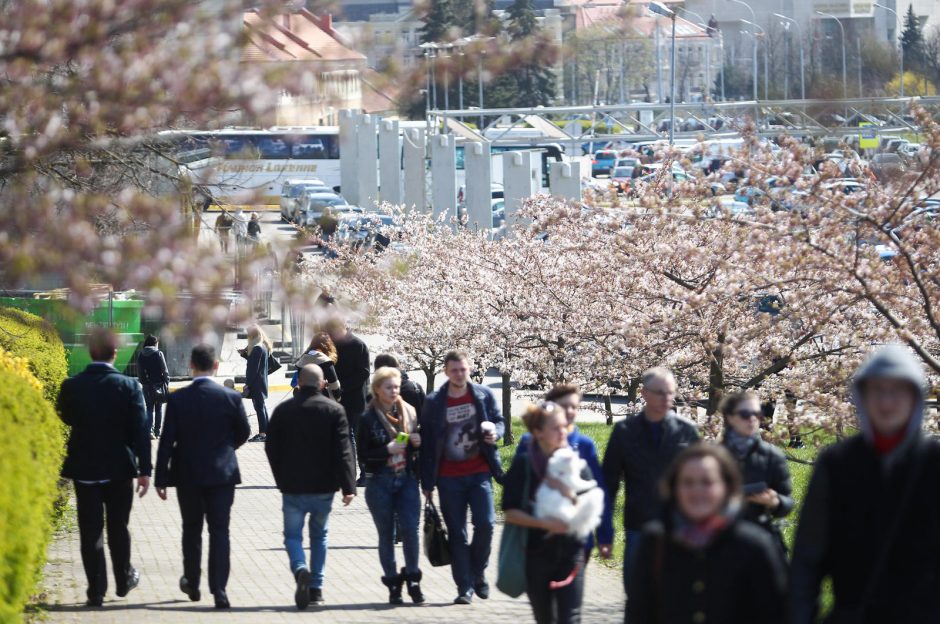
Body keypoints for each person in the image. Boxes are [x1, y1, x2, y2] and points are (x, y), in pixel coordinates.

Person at [790, 345, 940, 623]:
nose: (886, 402)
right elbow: (808, 558)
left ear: (915, 397)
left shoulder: (933, 462)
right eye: (877, 391)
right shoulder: (836, 462)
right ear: (862, 396)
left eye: (897, 390)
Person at [626, 444, 787, 624]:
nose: (697, 491)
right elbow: (638, 613)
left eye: (707, 482)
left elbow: (775, 614)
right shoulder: (655, 539)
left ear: (726, 488)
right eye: (688, 482)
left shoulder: (755, 545)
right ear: (674, 488)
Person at [56, 328, 152, 607]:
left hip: (84, 468)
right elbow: (140, 431)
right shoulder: (129, 387)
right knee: (118, 527)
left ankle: (95, 590)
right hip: (119, 468)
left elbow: (65, 415)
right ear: (115, 353)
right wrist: (145, 470)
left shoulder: (72, 386)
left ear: (90, 352)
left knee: (90, 529)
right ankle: (123, 579)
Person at [154, 344, 250, 610]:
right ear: (216, 366)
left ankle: (193, 582)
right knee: (220, 531)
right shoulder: (230, 398)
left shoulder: (178, 399)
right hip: (222, 474)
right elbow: (243, 431)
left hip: (188, 474)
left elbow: (166, 441)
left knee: (191, 530)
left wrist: (161, 478)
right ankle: (219, 590)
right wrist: (227, 449)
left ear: (191, 366)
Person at [265, 364, 356, 610]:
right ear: (322, 383)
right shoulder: (335, 410)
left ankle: (299, 568)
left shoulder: (284, 410)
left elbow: (271, 447)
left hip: (292, 486)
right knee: (320, 536)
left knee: (292, 536)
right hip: (324, 488)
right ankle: (316, 589)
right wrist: (349, 486)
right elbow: (344, 451)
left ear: (298, 383)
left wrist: (280, 477)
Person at [601, 367, 699, 593]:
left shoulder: (687, 433)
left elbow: (700, 484)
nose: (667, 398)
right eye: (660, 392)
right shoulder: (625, 431)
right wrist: (605, 532)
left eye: (671, 392)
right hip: (639, 526)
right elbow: (609, 484)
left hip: (679, 530)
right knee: (637, 597)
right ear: (644, 393)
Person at [420, 350, 504, 605]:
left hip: (479, 472)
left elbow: (500, 422)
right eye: (454, 370)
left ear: (470, 369)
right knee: (456, 533)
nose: (459, 374)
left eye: (463, 369)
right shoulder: (434, 401)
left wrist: (495, 434)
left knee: (487, 524)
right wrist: (427, 483)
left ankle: (478, 572)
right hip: (448, 478)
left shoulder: (483, 394)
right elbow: (427, 444)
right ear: (446, 371)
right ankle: (464, 586)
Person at [503, 402, 595, 624]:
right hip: (535, 556)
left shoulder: (576, 464)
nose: (563, 432)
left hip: (571, 555)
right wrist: (544, 524)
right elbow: (510, 512)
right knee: (545, 619)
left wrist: (569, 494)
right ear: (538, 432)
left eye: (564, 426)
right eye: (556, 428)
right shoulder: (524, 465)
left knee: (570, 619)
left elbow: (590, 507)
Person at [515, 384, 615, 562]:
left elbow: (599, 491)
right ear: (550, 407)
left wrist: (605, 535)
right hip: (539, 537)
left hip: (577, 540)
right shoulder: (529, 443)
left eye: (574, 407)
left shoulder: (585, 445)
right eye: (564, 406)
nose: (569, 411)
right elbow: (518, 487)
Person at [359, 367, 425, 605]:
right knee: (386, 534)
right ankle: (392, 582)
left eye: (396, 387)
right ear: (377, 389)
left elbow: (416, 443)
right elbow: (363, 454)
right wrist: (385, 450)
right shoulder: (368, 418)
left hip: (406, 478)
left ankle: (413, 579)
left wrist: (417, 441)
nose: (394, 391)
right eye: (389, 387)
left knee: (410, 530)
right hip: (380, 481)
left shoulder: (409, 411)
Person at [719, 391, 793, 555]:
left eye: (757, 414)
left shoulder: (771, 455)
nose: (752, 419)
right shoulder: (712, 455)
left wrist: (775, 501)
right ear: (729, 417)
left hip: (760, 537)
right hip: (720, 539)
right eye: (745, 414)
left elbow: (787, 503)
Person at [325, 318, 371, 485]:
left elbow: (364, 373)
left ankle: (364, 474)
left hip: (356, 400)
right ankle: (346, 473)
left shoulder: (358, 345)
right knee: (343, 438)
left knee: (357, 438)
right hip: (337, 399)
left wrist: (341, 387)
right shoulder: (331, 345)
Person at [240, 324, 271, 442]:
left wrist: (248, 384)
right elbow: (255, 363)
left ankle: (262, 434)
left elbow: (253, 369)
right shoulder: (262, 346)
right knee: (261, 407)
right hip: (260, 382)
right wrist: (245, 355)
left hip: (256, 383)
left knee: (259, 408)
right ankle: (266, 432)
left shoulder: (257, 348)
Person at [137, 334, 170, 439]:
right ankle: (157, 432)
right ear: (155, 343)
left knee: (149, 408)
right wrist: (166, 382)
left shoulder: (140, 355)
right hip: (159, 385)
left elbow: (139, 372)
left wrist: (144, 383)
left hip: (146, 386)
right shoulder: (159, 353)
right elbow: (164, 371)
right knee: (159, 408)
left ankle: (149, 431)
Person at [292, 332, 341, 399]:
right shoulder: (326, 361)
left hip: (304, 400)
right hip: (323, 400)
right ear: (328, 345)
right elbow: (334, 385)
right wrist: (338, 398)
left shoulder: (303, 359)